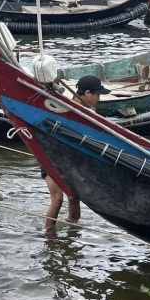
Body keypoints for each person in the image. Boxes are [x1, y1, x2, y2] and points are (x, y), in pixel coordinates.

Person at [44, 75, 108, 231]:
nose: (98, 99)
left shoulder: (90, 112)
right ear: (87, 93)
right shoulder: (65, 106)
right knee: (57, 199)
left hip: (70, 159)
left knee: (73, 197)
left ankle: (73, 229)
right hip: (51, 157)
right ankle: (48, 234)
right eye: (97, 94)